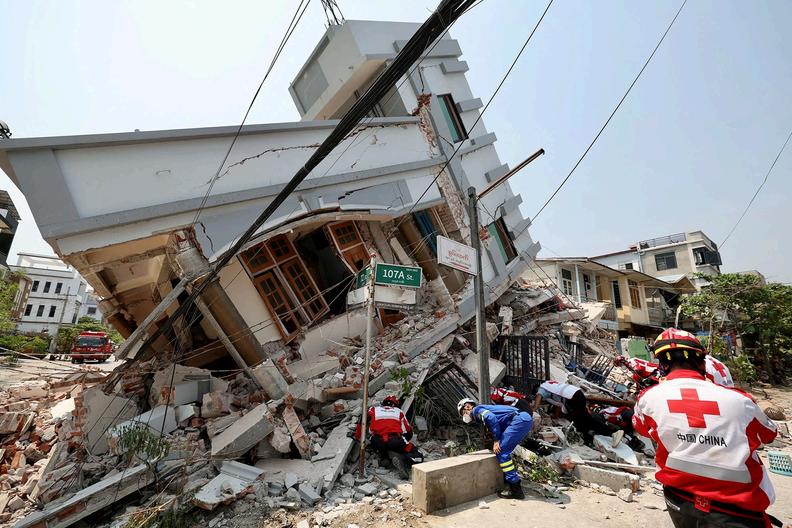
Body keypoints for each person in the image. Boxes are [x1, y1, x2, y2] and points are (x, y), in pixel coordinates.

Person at [633, 328, 780, 528]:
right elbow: (769, 434)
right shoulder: (740, 400)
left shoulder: (648, 398)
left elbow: (643, 429)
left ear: (663, 365)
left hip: (678, 498)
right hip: (737, 508)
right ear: (703, 362)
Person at [458, 398, 534, 499]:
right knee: (504, 450)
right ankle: (508, 479)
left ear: (468, 406)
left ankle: (516, 489)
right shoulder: (482, 410)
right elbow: (499, 421)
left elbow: (491, 418)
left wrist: (496, 439)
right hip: (523, 419)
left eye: (463, 412)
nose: (464, 416)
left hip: (519, 420)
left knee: (501, 451)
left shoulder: (476, 410)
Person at [533, 380, 624, 447]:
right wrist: (556, 416)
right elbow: (558, 403)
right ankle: (589, 437)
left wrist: (534, 409)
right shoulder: (550, 385)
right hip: (577, 393)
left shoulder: (542, 388)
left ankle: (612, 433)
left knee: (585, 420)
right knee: (580, 421)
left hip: (572, 399)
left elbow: (539, 396)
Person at [355, 396, 421, 478]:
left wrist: (357, 436)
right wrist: (403, 442)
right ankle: (402, 459)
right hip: (395, 440)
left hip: (377, 441)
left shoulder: (373, 409)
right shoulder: (399, 412)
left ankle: (385, 458)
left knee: (379, 443)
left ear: (383, 403)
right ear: (395, 405)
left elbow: (362, 418)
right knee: (418, 455)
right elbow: (408, 431)